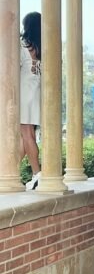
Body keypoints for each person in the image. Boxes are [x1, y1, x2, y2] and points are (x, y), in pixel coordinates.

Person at [20, 12, 42, 190]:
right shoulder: (43, 46)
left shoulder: (23, 44)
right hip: (37, 92)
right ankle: (9, 172)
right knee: (29, 135)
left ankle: (37, 174)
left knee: (26, 134)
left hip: (24, 91)